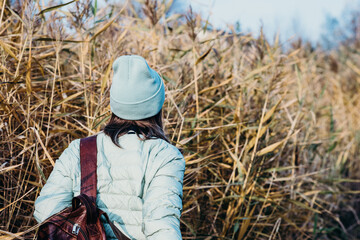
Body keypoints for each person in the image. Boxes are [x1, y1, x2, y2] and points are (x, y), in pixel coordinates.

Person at [34, 55, 185, 240]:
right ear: (156, 107)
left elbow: (45, 211)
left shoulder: (79, 149)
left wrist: (81, 228)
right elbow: (162, 228)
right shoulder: (165, 155)